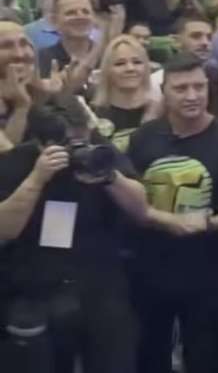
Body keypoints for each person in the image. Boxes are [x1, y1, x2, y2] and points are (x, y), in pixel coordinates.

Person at [0, 93, 147, 373]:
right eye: (68, 144)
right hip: (37, 289)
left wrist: (111, 177)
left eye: (82, 139)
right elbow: (5, 229)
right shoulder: (17, 161)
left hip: (100, 286)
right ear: (43, 142)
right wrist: (37, 178)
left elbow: (140, 207)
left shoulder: (100, 151)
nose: (78, 148)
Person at [127, 53, 218, 373]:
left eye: (199, 87)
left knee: (210, 355)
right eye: (181, 89)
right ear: (164, 91)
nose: (192, 96)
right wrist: (160, 218)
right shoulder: (144, 138)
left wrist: (207, 223)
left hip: (211, 269)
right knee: (149, 353)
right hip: (151, 266)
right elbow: (129, 198)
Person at [92, 36, 158, 151]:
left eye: (137, 62)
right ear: (107, 70)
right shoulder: (93, 114)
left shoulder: (160, 110)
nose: (130, 68)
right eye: (120, 63)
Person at [37, 0, 104, 93]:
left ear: (94, 17)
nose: (80, 17)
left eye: (85, 11)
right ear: (54, 21)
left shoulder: (108, 56)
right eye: (71, 13)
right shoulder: (42, 59)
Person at [150, 15, 213, 99]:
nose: (205, 43)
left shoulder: (216, 78)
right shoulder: (156, 81)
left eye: (209, 38)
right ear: (176, 42)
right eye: (196, 36)